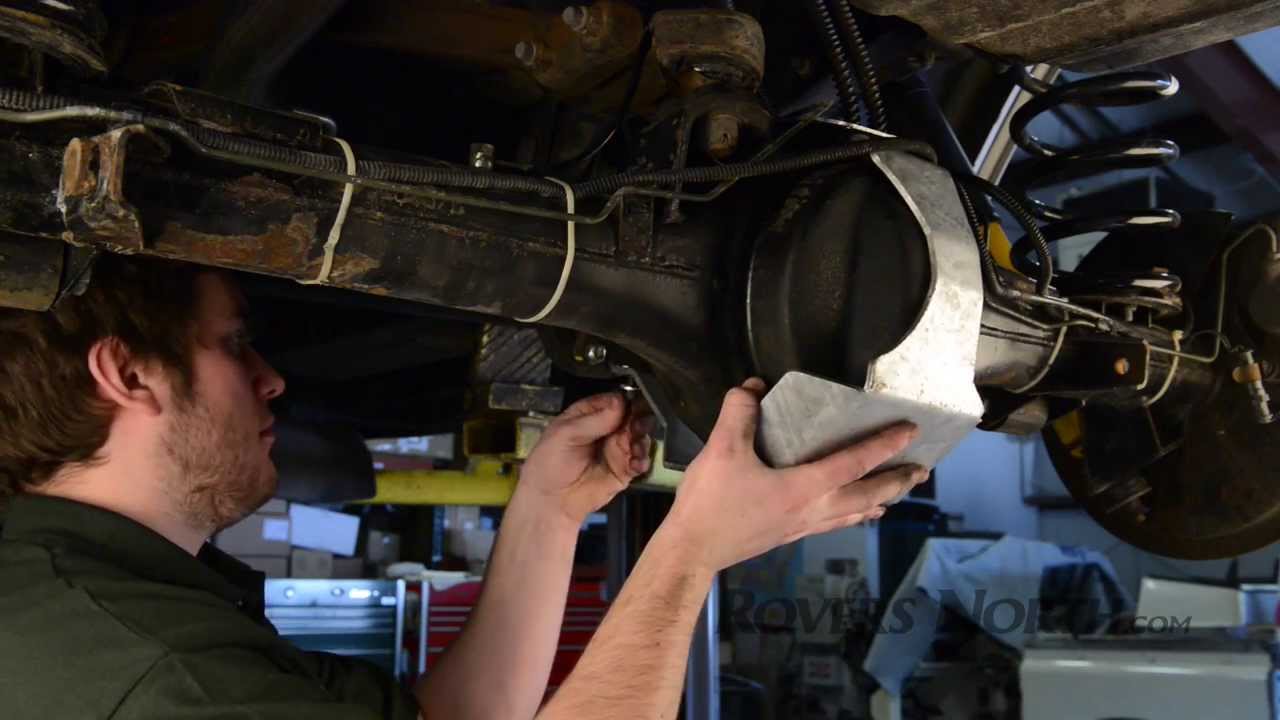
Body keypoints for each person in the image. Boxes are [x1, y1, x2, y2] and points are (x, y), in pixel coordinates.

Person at [0, 254, 926, 720]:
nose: (271, 378)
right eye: (233, 343)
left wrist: (547, 513)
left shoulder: (97, 605)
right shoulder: (161, 673)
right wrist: (689, 552)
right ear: (129, 374)